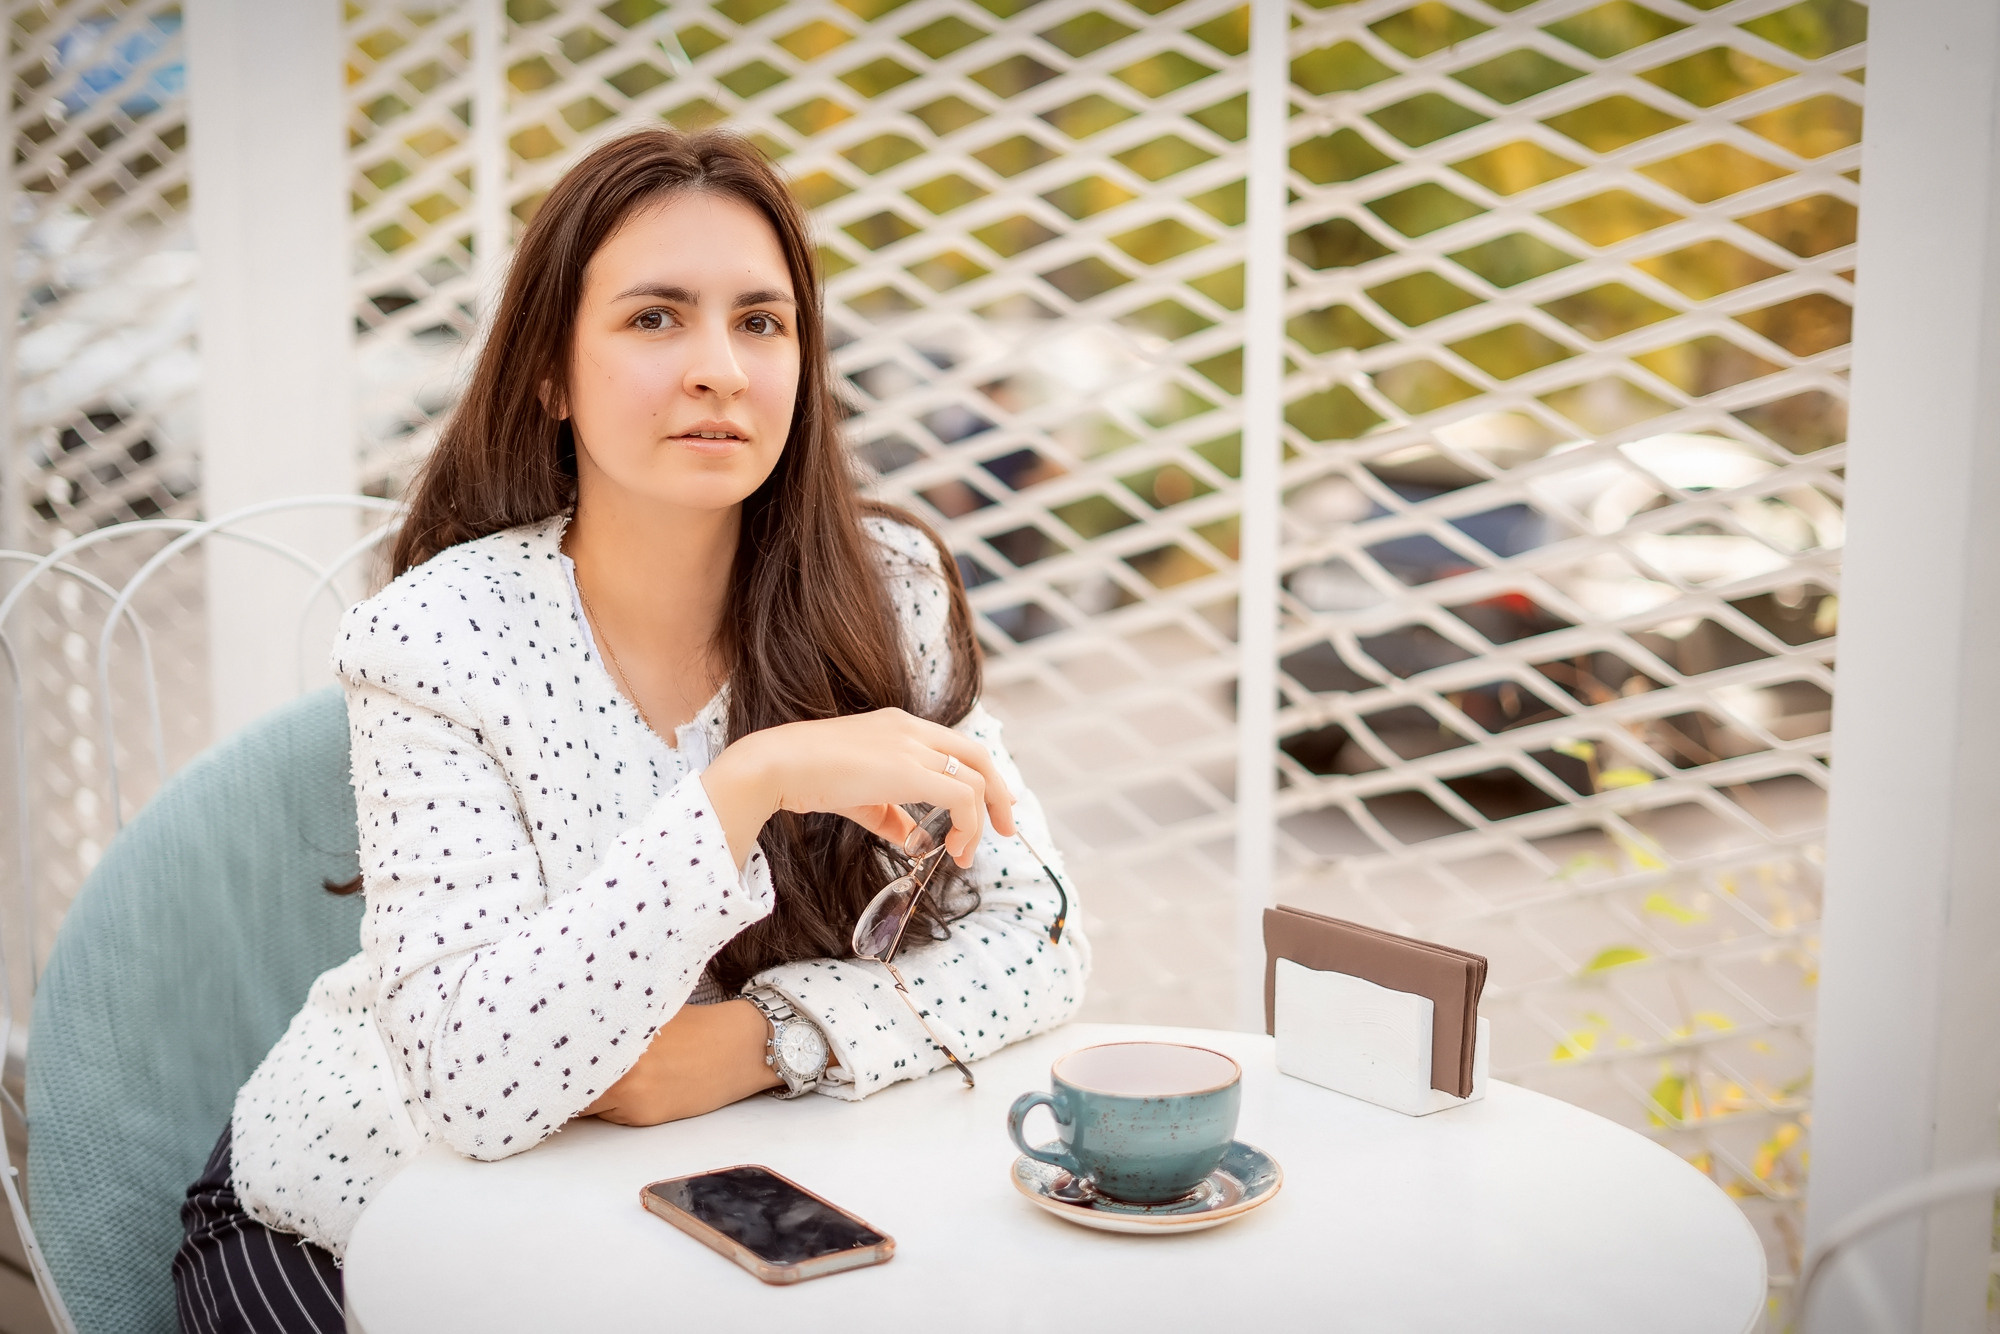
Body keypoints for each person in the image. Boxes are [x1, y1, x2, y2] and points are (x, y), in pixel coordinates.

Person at [172, 127, 1088, 1333]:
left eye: (761, 322)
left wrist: (768, 1037)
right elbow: (478, 1084)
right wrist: (744, 787)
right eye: (656, 318)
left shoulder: (887, 591)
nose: (719, 366)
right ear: (551, 371)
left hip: (677, 1223)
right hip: (361, 1219)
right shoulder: (437, 637)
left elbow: (1038, 937)